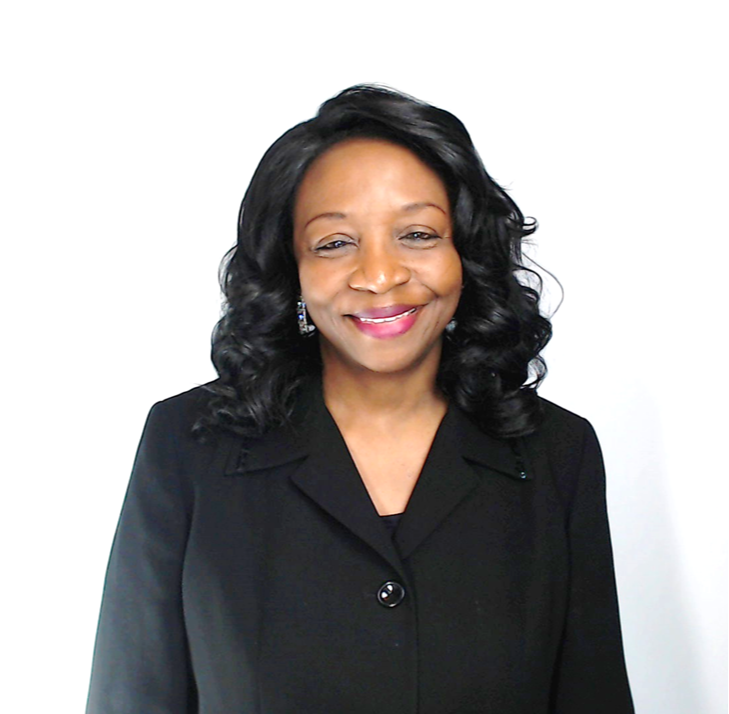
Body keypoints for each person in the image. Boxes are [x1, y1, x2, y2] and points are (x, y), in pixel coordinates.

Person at [86, 85, 635, 713]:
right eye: (335, 243)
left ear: (466, 255)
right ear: (292, 270)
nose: (379, 276)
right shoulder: (188, 444)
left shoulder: (556, 453)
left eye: (418, 234)